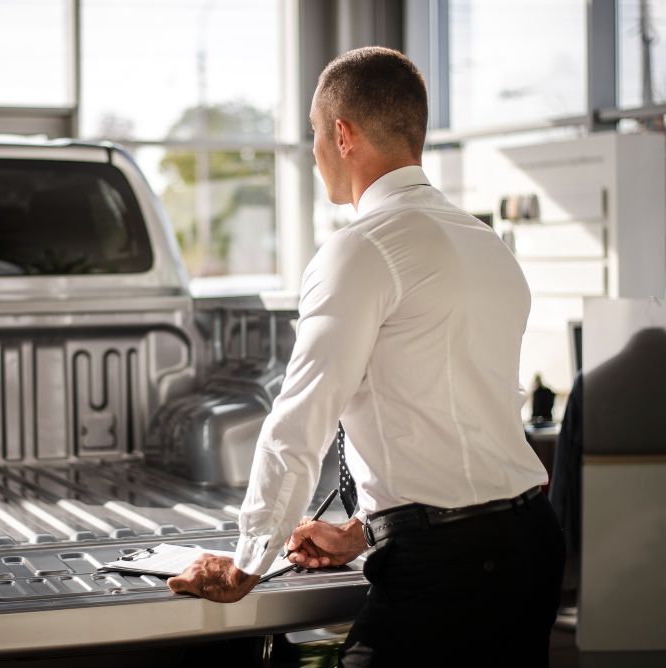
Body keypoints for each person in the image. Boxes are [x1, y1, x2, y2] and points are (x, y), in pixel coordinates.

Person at [167, 46, 564, 666]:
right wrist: (361, 533)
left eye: (315, 136)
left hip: (448, 571)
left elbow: (300, 421)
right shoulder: (486, 244)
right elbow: (464, 422)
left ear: (343, 135)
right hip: (530, 546)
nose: (316, 153)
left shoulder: (361, 249)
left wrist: (246, 564)